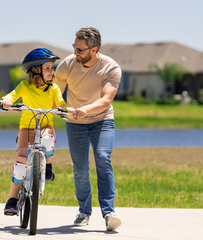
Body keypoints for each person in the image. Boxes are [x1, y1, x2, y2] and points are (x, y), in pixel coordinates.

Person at [55, 27, 122, 231]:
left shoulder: (111, 67)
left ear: (94, 50)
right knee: (80, 167)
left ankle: (108, 213)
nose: (75, 53)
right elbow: (55, 92)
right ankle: (84, 211)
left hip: (102, 120)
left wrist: (84, 109)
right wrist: (58, 109)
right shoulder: (67, 64)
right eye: (74, 48)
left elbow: (106, 100)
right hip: (75, 123)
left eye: (80, 50)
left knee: (102, 158)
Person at [0, 48, 69, 215]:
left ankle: (48, 166)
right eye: (48, 68)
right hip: (27, 128)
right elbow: (12, 95)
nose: (52, 72)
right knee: (20, 162)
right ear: (36, 70)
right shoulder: (24, 86)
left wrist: (65, 110)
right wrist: (5, 102)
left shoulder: (54, 88)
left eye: (52, 67)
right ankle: (12, 199)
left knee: (47, 140)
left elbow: (60, 103)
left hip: (45, 126)